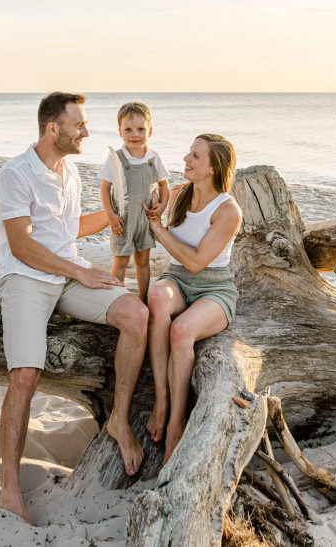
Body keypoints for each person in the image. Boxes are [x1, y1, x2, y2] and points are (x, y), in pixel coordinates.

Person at [0, 92, 149, 522]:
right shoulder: (16, 173)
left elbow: (68, 228)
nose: (86, 130)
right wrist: (79, 272)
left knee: (136, 314)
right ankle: (9, 489)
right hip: (25, 277)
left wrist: (118, 212)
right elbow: (23, 246)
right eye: (78, 124)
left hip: (66, 274)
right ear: (52, 128)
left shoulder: (72, 172)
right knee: (25, 374)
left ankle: (118, 419)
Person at [143, 133, 241, 464]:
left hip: (214, 289)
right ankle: (161, 399)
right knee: (156, 296)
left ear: (213, 168)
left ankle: (175, 422)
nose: (187, 159)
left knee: (181, 331)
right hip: (177, 280)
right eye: (189, 153)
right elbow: (141, 204)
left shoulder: (228, 211)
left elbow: (197, 261)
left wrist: (159, 230)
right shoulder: (181, 194)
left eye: (196, 156)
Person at [98, 101, 170, 301]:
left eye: (141, 129)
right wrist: (111, 215)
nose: (134, 134)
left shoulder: (153, 158)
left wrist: (162, 206)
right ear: (120, 131)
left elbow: (164, 185)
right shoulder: (116, 159)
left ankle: (143, 298)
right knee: (120, 260)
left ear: (150, 131)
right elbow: (105, 188)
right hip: (122, 220)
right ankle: (114, 299)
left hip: (145, 219)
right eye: (128, 129)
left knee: (143, 260)